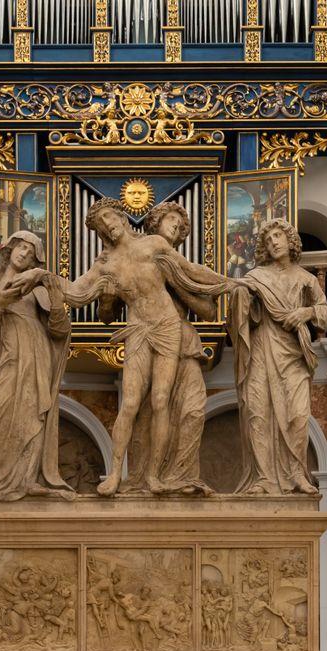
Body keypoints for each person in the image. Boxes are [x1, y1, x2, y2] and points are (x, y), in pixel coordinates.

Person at [12, 198, 237, 496]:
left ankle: (155, 477)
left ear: (121, 216)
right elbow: (76, 293)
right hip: (137, 330)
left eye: (109, 217)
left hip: (168, 327)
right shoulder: (106, 264)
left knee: (160, 400)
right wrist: (42, 276)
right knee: (129, 404)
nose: (108, 225)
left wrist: (231, 283)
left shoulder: (153, 244)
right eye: (100, 224)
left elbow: (191, 270)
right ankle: (116, 474)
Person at [0, 231, 74, 501]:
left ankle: (28, 479)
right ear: (9, 249)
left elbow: (60, 331)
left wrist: (53, 292)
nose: (24, 253)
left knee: (33, 413)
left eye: (30, 252)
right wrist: (0, 302)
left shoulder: (37, 290)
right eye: (21, 247)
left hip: (36, 357)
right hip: (4, 357)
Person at [116, 202, 215, 495]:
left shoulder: (183, 266)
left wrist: (179, 284)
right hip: (146, 340)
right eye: (170, 220)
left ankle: (180, 476)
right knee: (148, 411)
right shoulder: (136, 259)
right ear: (154, 223)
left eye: (180, 224)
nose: (175, 226)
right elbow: (110, 309)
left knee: (193, 411)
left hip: (183, 341)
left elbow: (208, 311)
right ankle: (147, 477)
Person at [228, 219, 327, 495]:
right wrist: (243, 299)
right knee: (258, 413)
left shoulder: (307, 279)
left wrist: (306, 313)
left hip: (293, 353)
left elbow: (324, 314)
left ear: (290, 241)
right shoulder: (255, 278)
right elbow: (241, 315)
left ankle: (296, 473)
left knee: (298, 416)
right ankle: (264, 478)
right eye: (269, 238)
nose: (273, 241)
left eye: (278, 236)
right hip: (261, 347)